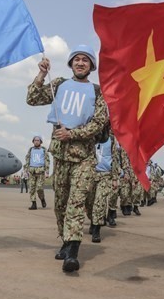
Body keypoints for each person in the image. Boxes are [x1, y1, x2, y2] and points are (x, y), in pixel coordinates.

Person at [26, 45, 108, 273]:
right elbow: (32, 98)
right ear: (71, 63)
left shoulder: (98, 91)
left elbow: (99, 123)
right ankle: (64, 239)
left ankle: (72, 252)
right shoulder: (59, 84)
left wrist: (73, 133)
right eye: (77, 59)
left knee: (76, 203)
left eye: (86, 60)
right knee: (61, 204)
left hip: (84, 158)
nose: (81, 63)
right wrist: (42, 74)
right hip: (61, 156)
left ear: (92, 66)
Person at [85, 124, 119, 243]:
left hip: (105, 175)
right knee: (89, 202)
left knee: (100, 202)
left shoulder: (112, 140)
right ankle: (92, 220)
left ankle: (96, 229)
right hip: (90, 174)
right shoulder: (90, 137)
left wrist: (115, 178)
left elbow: (115, 159)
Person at [24, 136, 50, 210]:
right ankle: (33, 203)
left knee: (39, 188)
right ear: (33, 141)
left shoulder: (44, 150)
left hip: (40, 172)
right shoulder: (30, 149)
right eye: (35, 140)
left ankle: (42, 199)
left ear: (40, 141)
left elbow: (47, 161)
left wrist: (47, 171)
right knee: (31, 188)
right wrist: (25, 170)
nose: (36, 141)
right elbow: (27, 160)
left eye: (38, 140)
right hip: (32, 171)